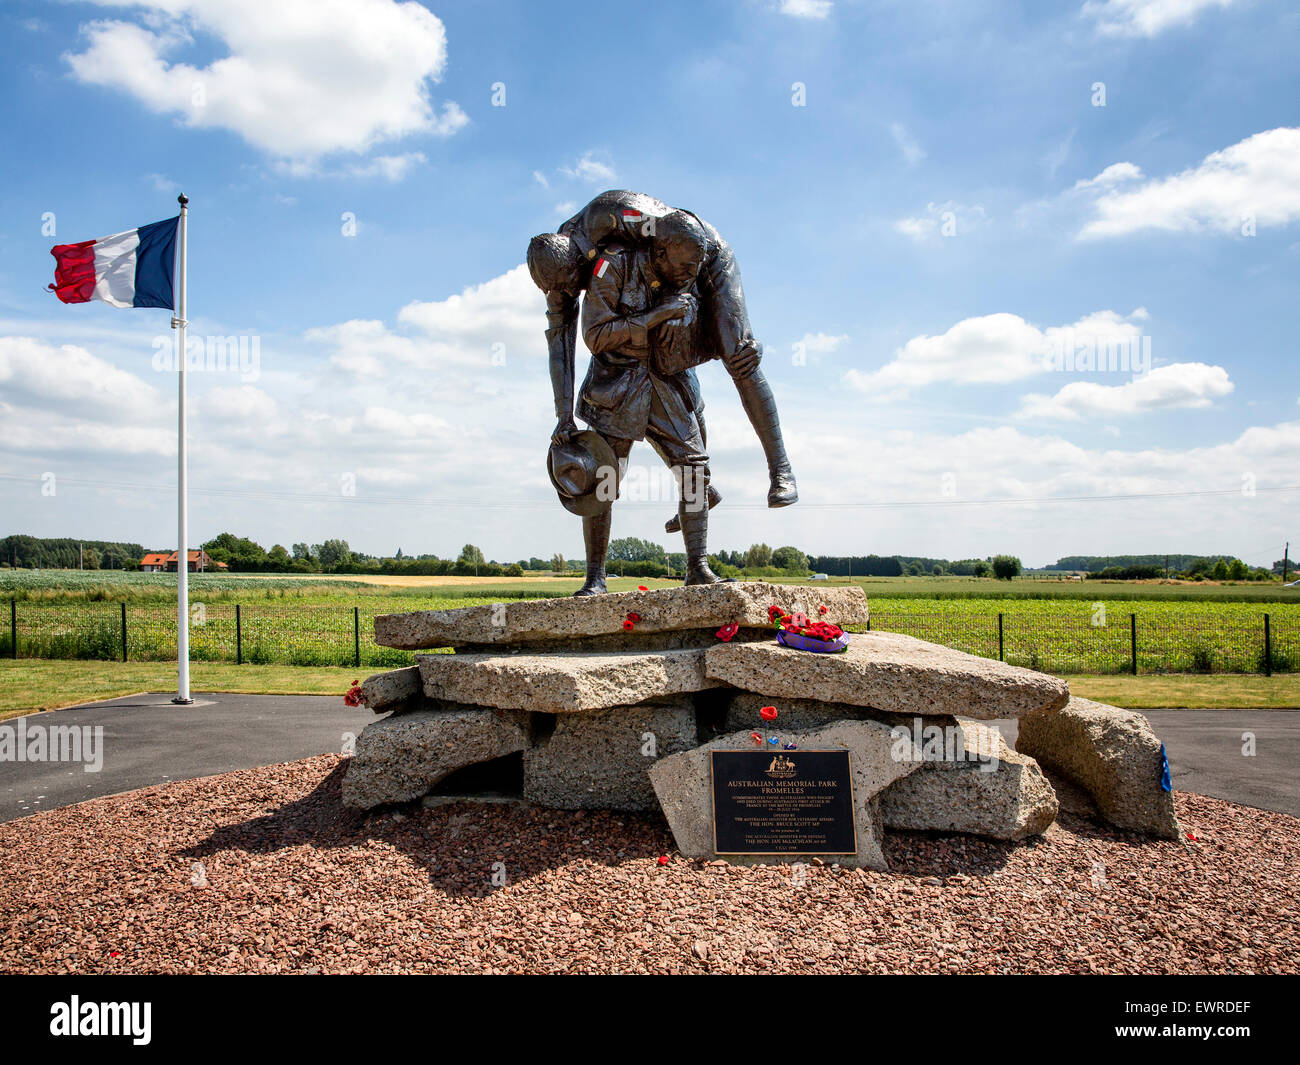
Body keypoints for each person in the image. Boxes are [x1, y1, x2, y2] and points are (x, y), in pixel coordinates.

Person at [533, 190, 797, 534]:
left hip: (699, 253)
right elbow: (561, 345)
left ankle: (781, 469)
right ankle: (699, 489)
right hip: (667, 272)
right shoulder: (560, 275)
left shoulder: (617, 217)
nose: (572, 295)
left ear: (577, 263)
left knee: (739, 354)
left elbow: (680, 239)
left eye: (573, 286)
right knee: (668, 370)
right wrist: (563, 417)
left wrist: (676, 305)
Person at [533, 212, 722, 594]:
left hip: (668, 380)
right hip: (616, 385)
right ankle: (595, 578)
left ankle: (698, 568)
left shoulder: (682, 269)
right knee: (602, 477)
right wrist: (563, 416)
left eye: (693, 266)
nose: (689, 273)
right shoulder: (610, 265)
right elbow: (593, 336)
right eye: (684, 265)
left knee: (694, 469)